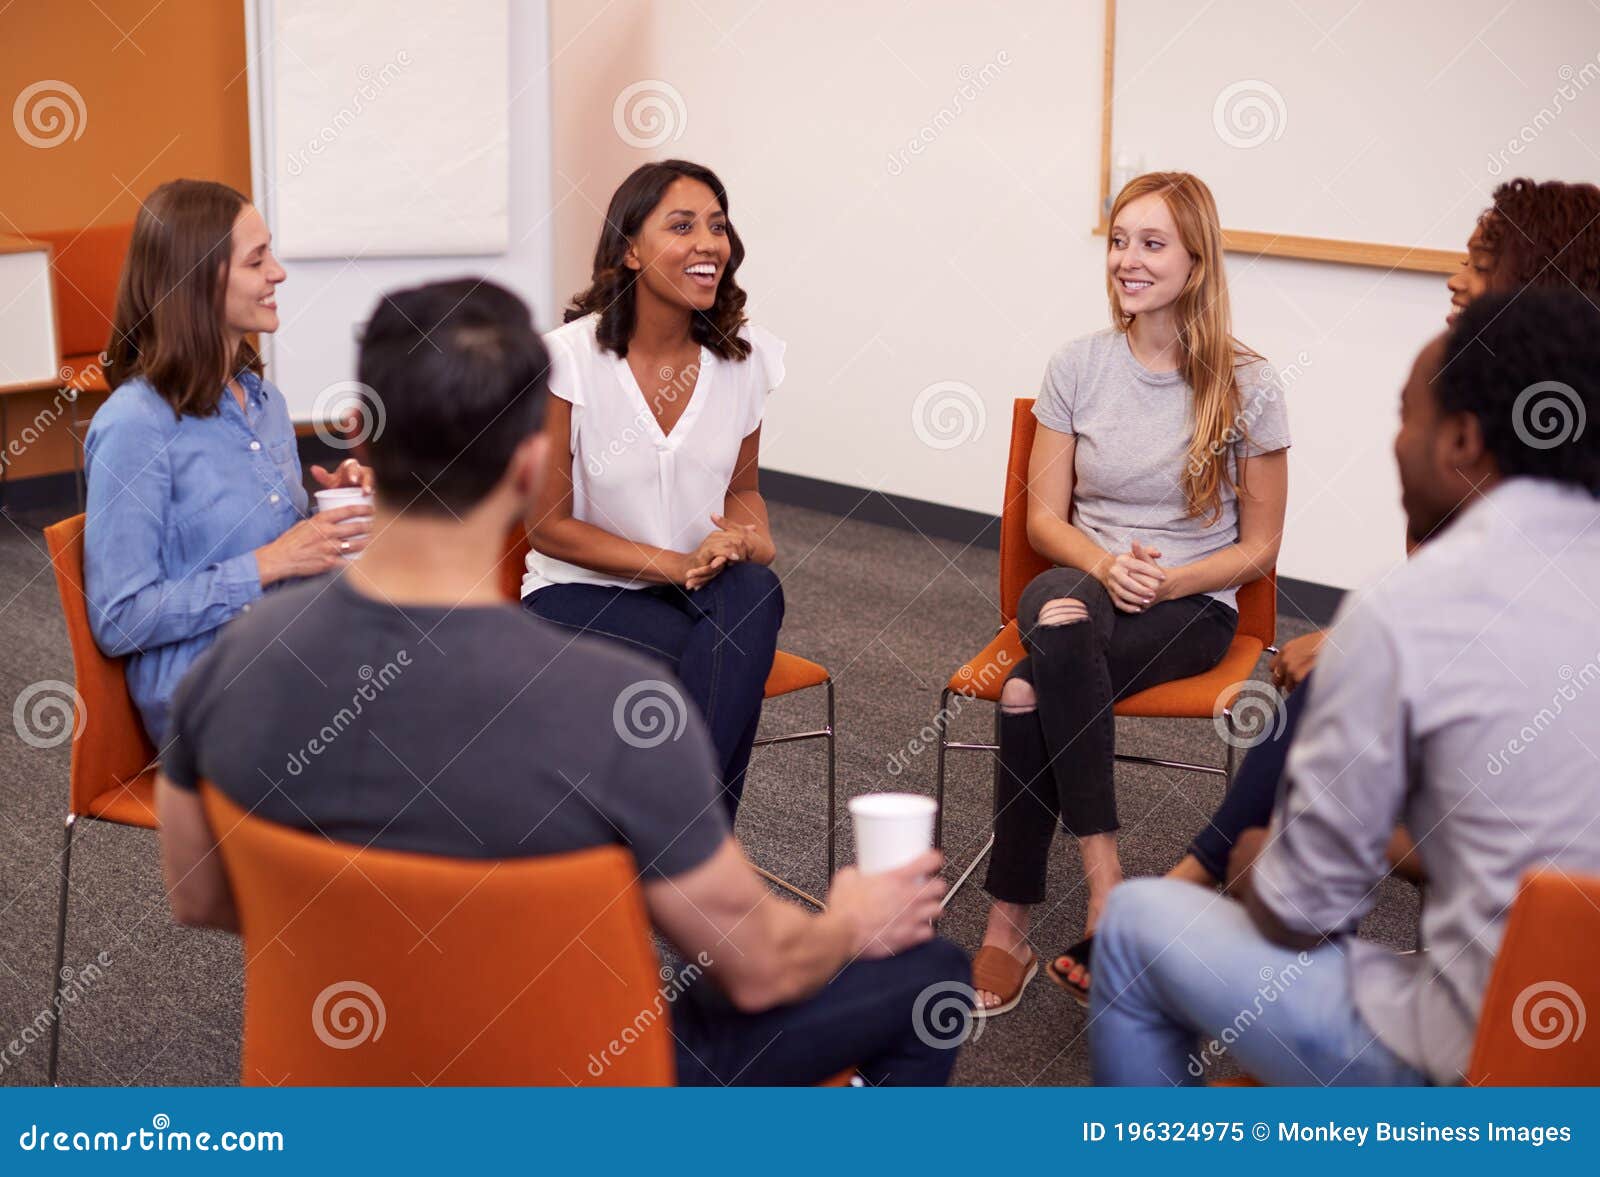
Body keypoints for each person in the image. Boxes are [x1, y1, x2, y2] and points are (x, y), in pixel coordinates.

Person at [155, 278, 971, 1087]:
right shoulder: (616, 711)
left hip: (345, 1095)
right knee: (927, 972)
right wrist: (852, 921)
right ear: (530, 462)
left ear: (359, 440)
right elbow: (759, 968)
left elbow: (198, 894)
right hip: (582, 1101)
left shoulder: (232, 666)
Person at [1091, 288, 1600, 1086]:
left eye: (1408, 416)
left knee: (1130, 920)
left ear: (1461, 439)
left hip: (1479, 1066)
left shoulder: (1408, 611)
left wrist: (1263, 852)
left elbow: (1302, 910)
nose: (1396, 443)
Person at [972, 173, 1290, 1016]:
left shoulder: (1250, 385)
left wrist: (1171, 577)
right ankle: (1106, 877)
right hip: (1081, 576)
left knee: (1027, 684)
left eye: (1151, 244)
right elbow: (1045, 520)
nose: (1127, 260)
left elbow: (1260, 547)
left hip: (1190, 604)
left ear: (1196, 259)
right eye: (1119, 240)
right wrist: (1109, 567)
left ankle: (1008, 922)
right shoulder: (1076, 364)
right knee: (1064, 615)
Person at [521, 160, 784, 820]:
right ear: (631, 249)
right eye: (682, 225)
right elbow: (546, 525)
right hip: (576, 595)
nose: (708, 243)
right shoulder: (568, 360)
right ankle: (700, 856)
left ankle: (668, 852)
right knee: (731, 655)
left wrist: (750, 537)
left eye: (718, 226)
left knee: (753, 591)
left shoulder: (744, 357)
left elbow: (744, 490)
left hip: (702, 594)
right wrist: (676, 563)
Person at [84, 178, 372, 746]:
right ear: (197, 281)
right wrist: (269, 562)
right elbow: (120, 620)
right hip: (210, 694)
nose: (279, 274)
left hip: (290, 648)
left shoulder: (263, 402)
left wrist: (322, 516)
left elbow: (268, 548)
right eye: (257, 260)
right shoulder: (134, 425)